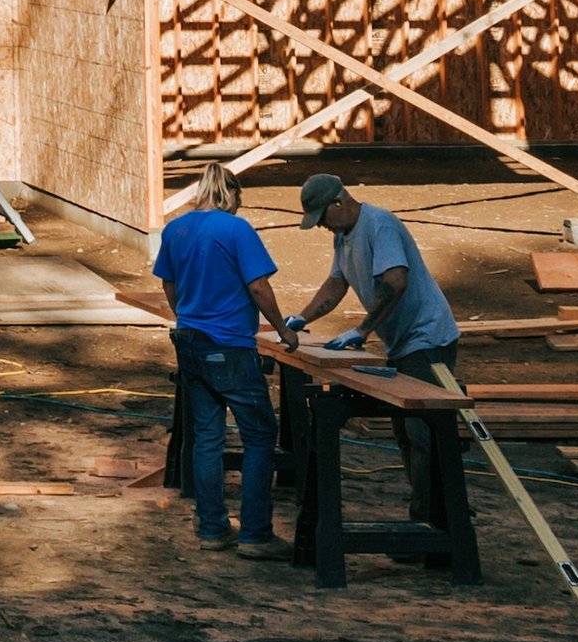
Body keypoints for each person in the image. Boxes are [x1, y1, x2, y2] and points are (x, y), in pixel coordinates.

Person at [277, 170, 462, 501]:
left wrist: (363, 330)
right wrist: (302, 317)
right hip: (402, 342)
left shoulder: (380, 224)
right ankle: (433, 511)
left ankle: (436, 517)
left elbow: (395, 282)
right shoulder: (343, 236)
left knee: (421, 429)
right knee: (404, 430)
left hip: (428, 336)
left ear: (340, 201)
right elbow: (336, 284)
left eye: (323, 218)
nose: (322, 226)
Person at [151, 163, 288, 554]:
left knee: (207, 437)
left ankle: (212, 527)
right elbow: (259, 286)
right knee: (260, 435)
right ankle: (256, 533)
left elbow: (168, 282)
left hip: (190, 341)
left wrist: (186, 315)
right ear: (231, 194)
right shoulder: (236, 229)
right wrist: (282, 328)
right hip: (228, 344)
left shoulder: (176, 229)